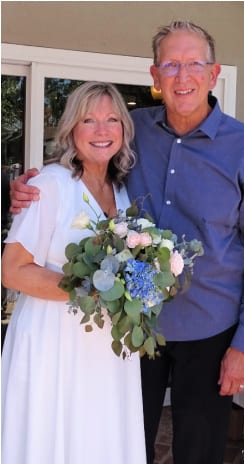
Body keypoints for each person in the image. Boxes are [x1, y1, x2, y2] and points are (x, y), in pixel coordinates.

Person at [10, 20, 244, 463]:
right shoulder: (130, 130)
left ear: (214, 74)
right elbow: (85, 160)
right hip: (129, 331)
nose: (182, 75)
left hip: (210, 331)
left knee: (199, 453)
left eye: (194, 63)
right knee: (120, 443)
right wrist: (31, 186)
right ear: (154, 77)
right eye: (170, 64)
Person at [1, 81, 145, 463]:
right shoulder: (51, 184)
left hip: (106, 345)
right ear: (70, 130)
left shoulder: (123, 192)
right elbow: (12, 271)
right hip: (54, 340)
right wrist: (90, 288)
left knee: (99, 436)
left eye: (112, 119)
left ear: (124, 130)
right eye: (89, 120)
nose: (102, 131)